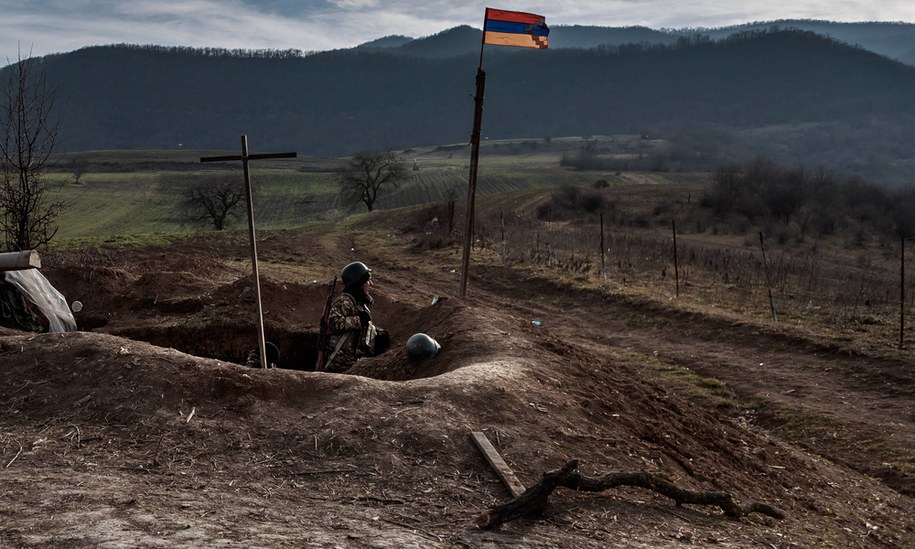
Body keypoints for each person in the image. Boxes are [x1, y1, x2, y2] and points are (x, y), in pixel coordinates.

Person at [323, 261, 389, 373]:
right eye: (368, 281)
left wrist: (377, 334)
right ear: (360, 283)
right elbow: (334, 324)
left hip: (356, 364)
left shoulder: (359, 302)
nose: (371, 284)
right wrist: (358, 320)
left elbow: (363, 326)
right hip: (340, 365)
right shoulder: (344, 302)